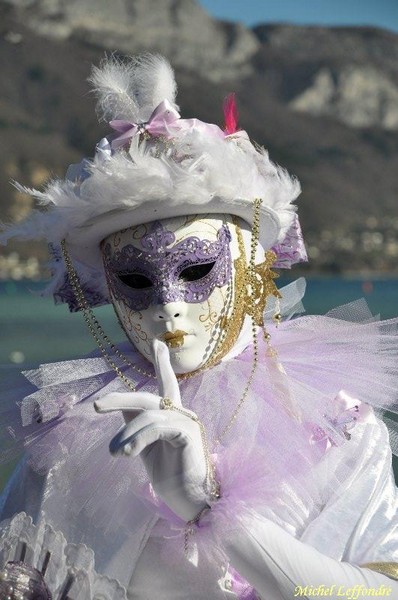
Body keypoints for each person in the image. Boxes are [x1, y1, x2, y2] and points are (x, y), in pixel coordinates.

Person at [0, 54, 397, 600]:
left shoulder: (334, 421)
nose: (167, 305)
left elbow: (378, 593)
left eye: (196, 269)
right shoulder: (67, 429)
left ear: (253, 262)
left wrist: (207, 505)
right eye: (136, 279)